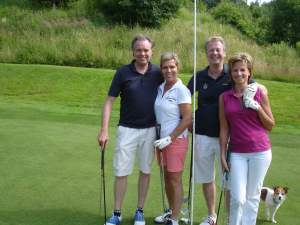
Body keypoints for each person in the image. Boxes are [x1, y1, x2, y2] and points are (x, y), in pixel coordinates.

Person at [98, 34, 163, 225]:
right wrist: (104, 130)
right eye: (139, 50)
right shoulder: (123, 72)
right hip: (127, 129)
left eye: (146, 50)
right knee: (121, 172)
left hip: (150, 130)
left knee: (145, 170)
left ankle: (139, 211)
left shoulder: (158, 72)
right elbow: (109, 101)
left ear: (151, 51)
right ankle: (117, 213)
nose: (142, 53)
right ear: (133, 52)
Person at [219, 52, 275, 225]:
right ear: (231, 73)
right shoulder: (224, 97)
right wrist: (222, 155)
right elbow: (224, 127)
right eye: (235, 70)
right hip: (237, 153)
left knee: (252, 197)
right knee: (238, 198)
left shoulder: (259, 92)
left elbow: (270, 125)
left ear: (249, 72)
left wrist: (256, 106)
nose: (239, 74)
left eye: (243, 70)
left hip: (260, 151)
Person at [187, 36, 231, 225]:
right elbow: (184, 97)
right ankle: (212, 215)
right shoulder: (199, 76)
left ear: (224, 52)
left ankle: (231, 218)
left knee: (228, 180)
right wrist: (186, 119)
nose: (215, 53)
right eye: (211, 50)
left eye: (218, 49)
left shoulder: (233, 73)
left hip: (227, 137)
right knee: (207, 178)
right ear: (206, 54)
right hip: (202, 134)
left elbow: (252, 86)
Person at [153, 52, 192, 225]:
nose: (169, 70)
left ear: (177, 67)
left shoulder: (181, 90)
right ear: (161, 69)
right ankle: (171, 211)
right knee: (167, 177)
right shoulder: (161, 87)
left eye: (172, 67)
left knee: (175, 179)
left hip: (176, 141)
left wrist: (171, 138)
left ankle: (175, 219)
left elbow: (187, 118)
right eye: (165, 67)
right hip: (161, 141)